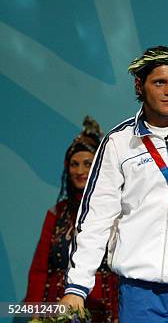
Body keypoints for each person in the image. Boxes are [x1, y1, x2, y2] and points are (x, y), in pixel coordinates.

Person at [60, 46, 168, 323]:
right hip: (139, 292)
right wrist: (77, 287)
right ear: (139, 85)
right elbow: (96, 218)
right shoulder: (119, 143)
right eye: (160, 83)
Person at [24, 117, 118, 322]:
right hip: (59, 312)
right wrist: (34, 312)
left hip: (104, 312)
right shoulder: (56, 213)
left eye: (87, 164)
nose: (80, 171)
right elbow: (40, 269)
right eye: (74, 164)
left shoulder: (114, 212)